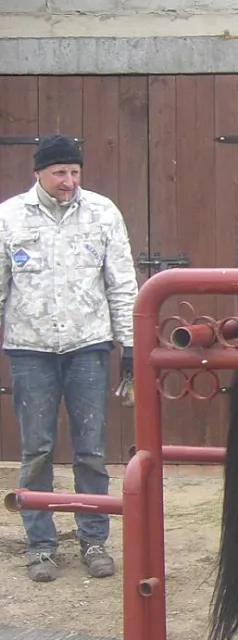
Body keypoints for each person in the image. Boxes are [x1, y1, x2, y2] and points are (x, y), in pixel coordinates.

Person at [0, 135, 138, 582]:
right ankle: (41, 546)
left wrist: (130, 344)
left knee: (91, 451)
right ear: (38, 173)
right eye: (60, 173)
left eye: (75, 172)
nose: (69, 181)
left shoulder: (102, 213)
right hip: (30, 349)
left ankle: (93, 539)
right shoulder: (8, 217)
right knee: (36, 450)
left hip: (87, 348)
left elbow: (121, 282)